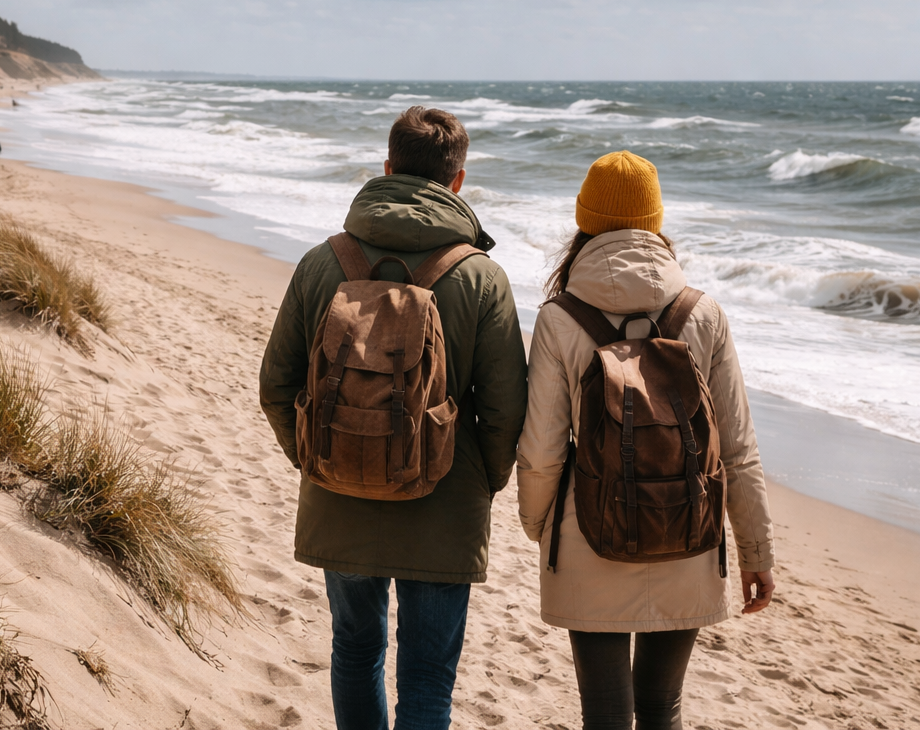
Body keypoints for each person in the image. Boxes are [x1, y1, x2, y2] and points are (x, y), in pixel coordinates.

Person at [260, 107, 528, 730]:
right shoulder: (482, 277)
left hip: (337, 491)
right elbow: (506, 408)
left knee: (355, 650)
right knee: (429, 676)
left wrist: (314, 458)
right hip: (444, 498)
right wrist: (480, 479)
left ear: (387, 169)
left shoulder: (322, 263)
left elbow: (276, 384)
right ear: (458, 181)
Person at [515, 151, 776, 730]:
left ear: (585, 219)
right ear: (656, 221)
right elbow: (736, 447)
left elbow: (542, 449)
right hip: (688, 528)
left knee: (604, 714)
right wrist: (756, 552)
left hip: (588, 529)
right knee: (663, 706)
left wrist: (541, 526)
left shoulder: (561, 317)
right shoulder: (702, 312)